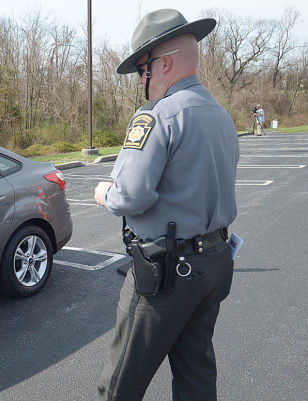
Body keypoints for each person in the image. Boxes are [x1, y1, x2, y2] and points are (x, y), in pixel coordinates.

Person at [93, 9, 239, 401]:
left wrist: (104, 192)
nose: (142, 79)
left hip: (167, 274)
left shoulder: (157, 117)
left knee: (119, 383)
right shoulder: (222, 117)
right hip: (215, 263)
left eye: (143, 68)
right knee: (196, 377)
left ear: (165, 63)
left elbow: (132, 195)